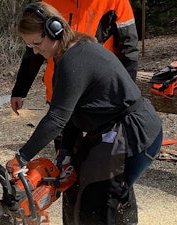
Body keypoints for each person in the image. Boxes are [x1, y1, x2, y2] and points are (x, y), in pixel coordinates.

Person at [6, 2, 162, 224]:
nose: (35, 51)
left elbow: (57, 119)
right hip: (111, 131)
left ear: (55, 29)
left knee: (98, 202)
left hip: (132, 132)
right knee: (82, 187)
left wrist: (21, 157)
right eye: (30, 45)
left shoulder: (75, 59)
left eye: (37, 43)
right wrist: (66, 151)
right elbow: (70, 111)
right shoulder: (66, 56)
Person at [10, 0, 139, 151]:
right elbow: (33, 53)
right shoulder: (47, 4)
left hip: (100, 99)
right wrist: (20, 90)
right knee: (65, 156)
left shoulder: (116, 2)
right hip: (60, 92)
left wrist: (124, 98)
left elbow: (128, 51)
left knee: (102, 158)